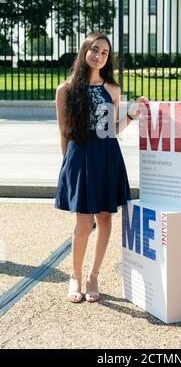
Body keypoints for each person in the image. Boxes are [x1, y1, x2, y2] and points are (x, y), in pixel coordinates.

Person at [55, 32, 146, 303]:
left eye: (105, 52)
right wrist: (67, 168)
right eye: (95, 49)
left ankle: (94, 275)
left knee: (105, 217)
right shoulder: (66, 89)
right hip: (79, 157)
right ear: (85, 51)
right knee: (84, 221)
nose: (99, 55)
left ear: (108, 59)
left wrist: (131, 115)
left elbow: (111, 130)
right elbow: (63, 132)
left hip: (107, 156)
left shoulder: (113, 90)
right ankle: (76, 276)